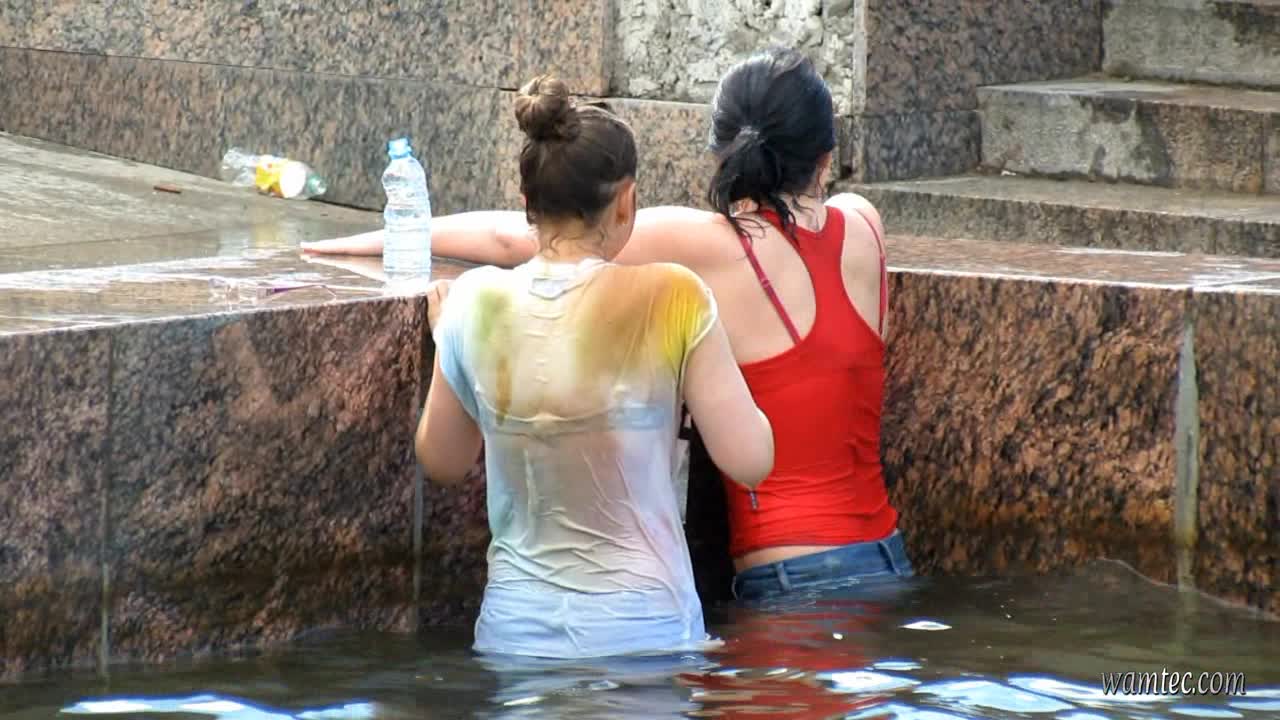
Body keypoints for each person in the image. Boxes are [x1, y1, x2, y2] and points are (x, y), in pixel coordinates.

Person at [310, 46, 912, 602]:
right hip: (886, 559)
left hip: (787, 577)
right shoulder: (864, 225)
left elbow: (520, 239)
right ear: (825, 159)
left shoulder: (710, 245)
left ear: (722, 154)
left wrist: (371, 238)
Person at [414, 76, 774, 659]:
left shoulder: (472, 303)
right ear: (626, 200)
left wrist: (446, 338)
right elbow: (750, 460)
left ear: (527, 205)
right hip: (644, 627)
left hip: (517, 633)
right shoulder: (674, 297)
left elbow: (443, 461)